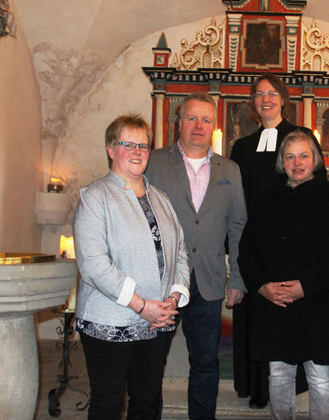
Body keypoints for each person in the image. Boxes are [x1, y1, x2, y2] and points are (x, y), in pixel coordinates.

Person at [73, 113, 190, 419]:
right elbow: (94, 265)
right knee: (109, 404)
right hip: (110, 322)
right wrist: (141, 305)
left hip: (156, 322)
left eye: (144, 145)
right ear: (111, 149)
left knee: (147, 401)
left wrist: (172, 300)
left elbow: (180, 253)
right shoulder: (94, 198)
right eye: (129, 144)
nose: (138, 152)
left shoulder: (161, 198)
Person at [238, 131, 329, 420]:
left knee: (320, 377)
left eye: (304, 155)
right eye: (289, 156)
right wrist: (261, 286)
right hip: (275, 304)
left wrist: (307, 286)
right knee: (278, 374)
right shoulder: (266, 200)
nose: (297, 162)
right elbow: (247, 251)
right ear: (281, 162)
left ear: (315, 159)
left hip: (319, 303)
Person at [145, 92, 247, 420]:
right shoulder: (153, 162)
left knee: (205, 363)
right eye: (191, 118)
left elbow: (238, 226)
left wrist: (239, 279)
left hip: (208, 280)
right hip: (160, 282)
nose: (198, 125)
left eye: (205, 119)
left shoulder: (230, 169)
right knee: (151, 362)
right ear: (179, 121)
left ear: (214, 126)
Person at [230, 74, 324, 408]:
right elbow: (234, 198)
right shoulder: (241, 147)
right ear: (253, 103)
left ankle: (288, 392)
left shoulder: (299, 139)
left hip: (290, 248)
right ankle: (257, 389)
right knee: (255, 316)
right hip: (254, 245)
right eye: (259, 94)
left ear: (283, 99)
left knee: (287, 321)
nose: (265, 99)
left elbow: (316, 192)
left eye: (272, 93)